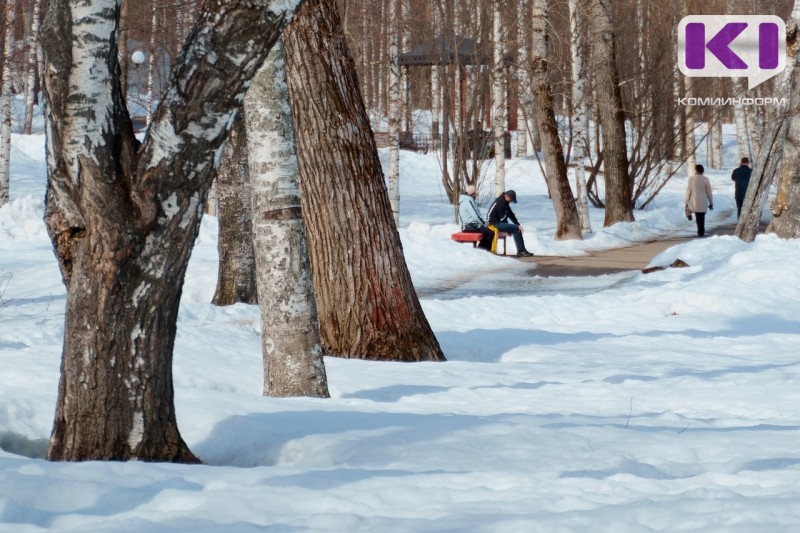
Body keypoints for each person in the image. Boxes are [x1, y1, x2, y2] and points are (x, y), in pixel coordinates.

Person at [486, 189, 533, 257]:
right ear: (507, 197)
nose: (511, 202)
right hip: (493, 224)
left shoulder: (504, 201)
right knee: (516, 229)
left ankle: (522, 250)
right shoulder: (500, 202)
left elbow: (510, 214)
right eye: (511, 200)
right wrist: (508, 228)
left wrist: (517, 224)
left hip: (497, 222)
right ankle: (521, 251)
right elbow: (502, 217)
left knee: (516, 228)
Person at [458, 185, 493, 251]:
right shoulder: (468, 201)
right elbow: (476, 216)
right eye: (476, 194)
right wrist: (484, 224)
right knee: (490, 233)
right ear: (472, 193)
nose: (476, 195)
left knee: (487, 232)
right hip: (471, 226)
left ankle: (481, 250)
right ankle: (482, 251)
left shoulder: (464, 201)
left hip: (467, 226)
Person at [685, 164, 713, 237]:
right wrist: (711, 203)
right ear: (702, 171)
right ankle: (701, 231)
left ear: (696, 170)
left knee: (697, 217)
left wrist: (686, 201)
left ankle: (700, 232)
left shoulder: (691, 179)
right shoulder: (705, 179)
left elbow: (689, 191)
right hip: (703, 201)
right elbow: (709, 192)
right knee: (702, 217)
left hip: (694, 201)